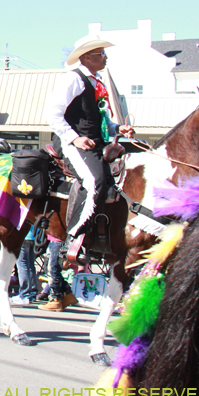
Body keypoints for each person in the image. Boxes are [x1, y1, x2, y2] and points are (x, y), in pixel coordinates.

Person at [45, 38, 135, 271]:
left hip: (95, 142)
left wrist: (117, 129)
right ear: (86, 57)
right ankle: (73, 241)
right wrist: (74, 138)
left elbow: (100, 120)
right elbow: (53, 114)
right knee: (94, 180)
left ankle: (100, 238)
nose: (105, 57)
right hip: (74, 143)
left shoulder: (97, 82)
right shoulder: (73, 78)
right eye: (101, 53)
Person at [10, 226, 38, 305]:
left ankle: (25, 294)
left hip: (23, 236)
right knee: (30, 265)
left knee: (22, 265)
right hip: (35, 236)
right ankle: (32, 292)